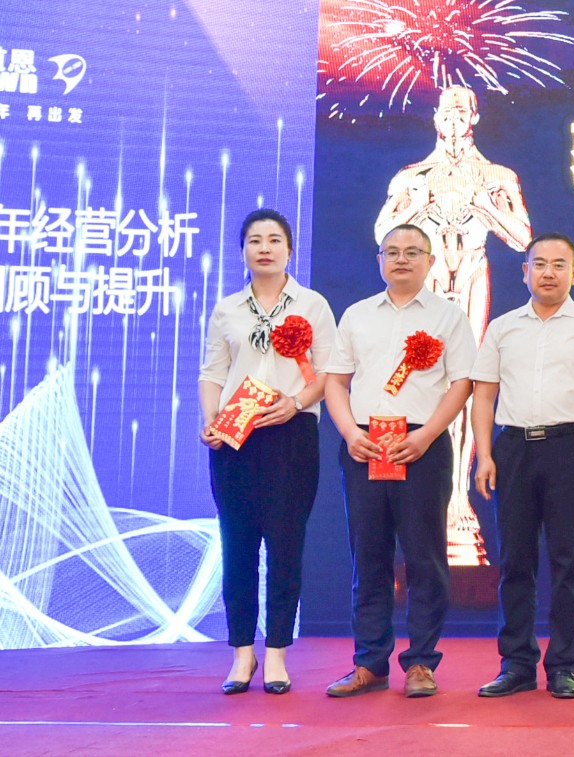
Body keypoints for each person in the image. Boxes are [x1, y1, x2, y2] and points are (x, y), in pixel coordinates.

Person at [374, 85, 534, 566]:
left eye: (461, 111)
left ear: (475, 117)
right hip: (426, 282)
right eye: (446, 111)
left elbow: (523, 238)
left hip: (470, 275)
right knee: (418, 379)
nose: (453, 118)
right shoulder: (411, 176)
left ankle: (457, 497)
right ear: (435, 118)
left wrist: (485, 204)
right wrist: (416, 204)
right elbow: (382, 234)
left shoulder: (497, 175)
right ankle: (421, 489)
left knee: (466, 384)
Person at [323, 224, 476, 698]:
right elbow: (335, 382)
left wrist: (428, 435)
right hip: (364, 444)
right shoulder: (357, 315)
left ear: (430, 261)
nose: (402, 259)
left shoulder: (449, 317)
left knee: (425, 558)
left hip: (421, 444)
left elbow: (463, 383)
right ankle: (369, 663)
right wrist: (350, 433)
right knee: (368, 556)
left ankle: (421, 663)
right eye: (392, 252)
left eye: (412, 252)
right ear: (380, 261)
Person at [471, 233, 574, 700]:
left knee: (568, 562)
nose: (549, 272)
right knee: (514, 561)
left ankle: (563, 666)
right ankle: (516, 664)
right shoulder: (502, 328)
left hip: (570, 448)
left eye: (559, 265)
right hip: (513, 448)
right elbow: (484, 396)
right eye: (539, 264)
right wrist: (484, 454)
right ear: (525, 272)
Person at [200, 209, 336, 695]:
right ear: (242, 251)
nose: (264, 248)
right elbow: (212, 373)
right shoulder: (227, 309)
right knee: (237, 545)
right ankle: (242, 653)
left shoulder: (313, 304)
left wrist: (295, 402)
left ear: (289, 250)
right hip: (234, 437)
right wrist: (211, 420)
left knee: (285, 544)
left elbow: (329, 373)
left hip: (291, 433)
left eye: (274, 239)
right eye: (254, 240)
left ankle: (276, 652)